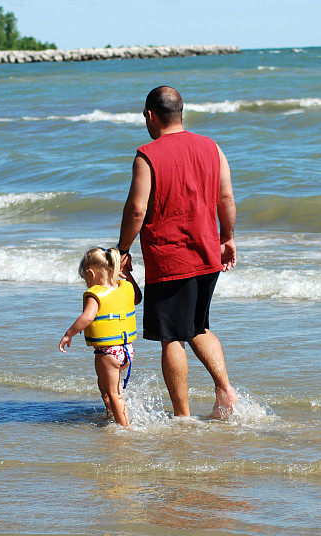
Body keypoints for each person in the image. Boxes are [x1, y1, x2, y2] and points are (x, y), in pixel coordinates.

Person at [116, 85, 238, 419]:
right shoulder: (212, 147)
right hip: (208, 253)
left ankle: (182, 417)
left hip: (170, 259)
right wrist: (227, 238)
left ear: (150, 115)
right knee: (198, 326)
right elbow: (226, 198)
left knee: (171, 336)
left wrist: (122, 249)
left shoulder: (147, 154)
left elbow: (137, 210)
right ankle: (226, 392)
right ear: (180, 113)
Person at [59, 247, 142, 426]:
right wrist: (122, 274)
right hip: (126, 349)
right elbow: (136, 298)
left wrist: (69, 334)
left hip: (108, 352)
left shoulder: (96, 294)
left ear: (91, 273)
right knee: (105, 387)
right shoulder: (125, 286)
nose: (87, 283)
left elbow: (87, 317)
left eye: (86, 279)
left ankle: (124, 427)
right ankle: (111, 416)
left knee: (114, 393)